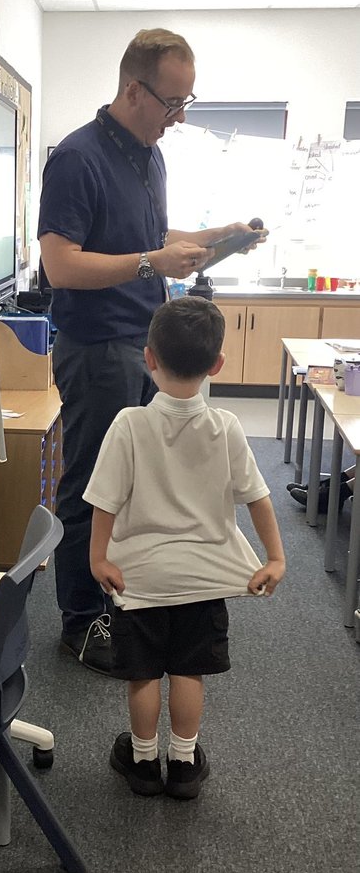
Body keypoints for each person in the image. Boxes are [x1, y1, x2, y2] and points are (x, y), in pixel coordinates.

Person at [37, 27, 262, 673]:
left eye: (187, 102)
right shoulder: (77, 158)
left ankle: (118, 603)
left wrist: (220, 236)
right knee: (93, 491)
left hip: (143, 343)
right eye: (171, 103)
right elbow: (61, 265)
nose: (179, 116)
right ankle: (80, 624)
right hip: (98, 346)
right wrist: (149, 263)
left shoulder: (147, 152)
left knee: (136, 489)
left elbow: (149, 236)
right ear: (134, 90)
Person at [84, 296, 286, 799]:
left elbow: (104, 502)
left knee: (144, 673)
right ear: (217, 365)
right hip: (205, 578)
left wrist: (98, 557)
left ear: (148, 357)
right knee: (188, 670)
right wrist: (276, 557)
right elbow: (258, 497)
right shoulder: (227, 427)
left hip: (141, 579)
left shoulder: (129, 424)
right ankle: (185, 762)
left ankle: (144, 762)